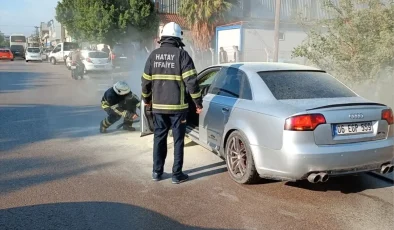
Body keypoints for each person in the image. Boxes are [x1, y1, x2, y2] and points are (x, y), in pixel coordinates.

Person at [141, 22, 203, 184]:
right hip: (178, 109)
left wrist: (146, 100)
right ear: (178, 39)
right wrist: (198, 103)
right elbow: (192, 83)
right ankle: (177, 174)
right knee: (178, 141)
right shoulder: (183, 55)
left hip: (159, 108)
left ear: (163, 38)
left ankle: (157, 171)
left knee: (159, 139)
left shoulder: (153, 55)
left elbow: (145, 82)